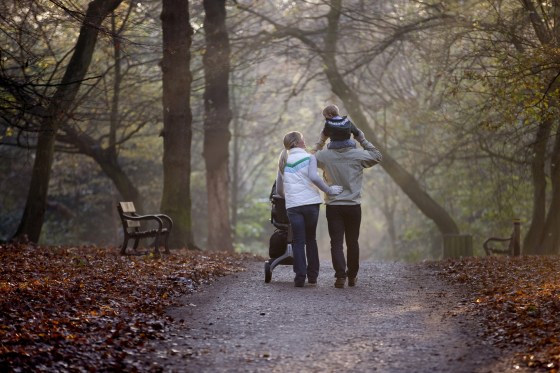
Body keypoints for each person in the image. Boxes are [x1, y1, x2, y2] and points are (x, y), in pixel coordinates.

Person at [315, 128, 382, 288]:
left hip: (333, 206)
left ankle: (340, 277)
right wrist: (362, 138)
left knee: (336, 242)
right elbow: (377, 156)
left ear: (331, 138)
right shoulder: (358, 155)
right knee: (353, 242)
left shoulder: (324, 156)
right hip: (353, 206)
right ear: (349, 137)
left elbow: (309, 158)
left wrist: (321, 140)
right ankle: (352, 276)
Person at [275, 131, 343, 287]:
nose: (304, 142)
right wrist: (329, 190)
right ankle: (312, 276)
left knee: (298, 241)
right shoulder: (309, 158)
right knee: (310, 239)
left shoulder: (283, 161)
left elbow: (279, 190)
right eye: (302, 140)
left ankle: (300, 277)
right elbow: (314, 177)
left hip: (293, 206)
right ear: (297, 143)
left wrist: (291, 197)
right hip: (311, 204)